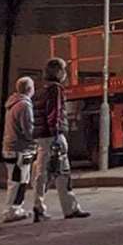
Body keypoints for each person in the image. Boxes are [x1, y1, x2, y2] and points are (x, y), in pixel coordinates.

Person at [31, 58, 90, 222]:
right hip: (53, 136)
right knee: (63, 172)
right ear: (58, 72)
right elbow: (54, 112)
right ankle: (70, 208)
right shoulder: (55, 89)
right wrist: (56, 133)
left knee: (42, 173)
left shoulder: (41, 89)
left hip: (42, 137)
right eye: (64, 70)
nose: (66, 74)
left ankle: (39, 206)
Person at [1, 76, 35, 223]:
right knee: (18, 181)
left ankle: (16, 208)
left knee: (19, 180)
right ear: (29, 89)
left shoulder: (12, 104)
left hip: (10, 147)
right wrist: (35, 140)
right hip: (19, 149)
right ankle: (11, 210)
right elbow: (28, 129)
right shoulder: (24, 105)